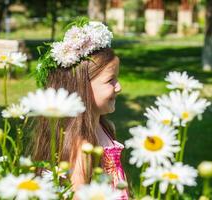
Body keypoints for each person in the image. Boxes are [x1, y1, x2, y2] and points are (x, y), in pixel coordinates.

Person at [30, 20, 129, 199]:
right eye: (110, 80)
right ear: (81, 87)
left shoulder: (106, 129)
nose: (119, 87)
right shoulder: (81, 147)